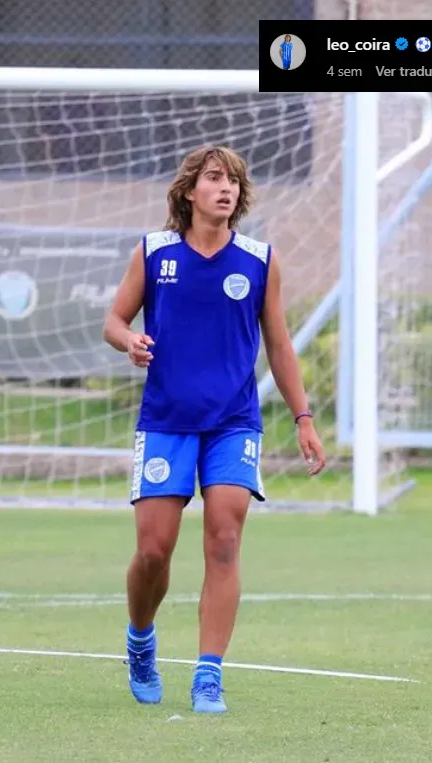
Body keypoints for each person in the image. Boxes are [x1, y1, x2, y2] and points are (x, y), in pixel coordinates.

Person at [102, 145, 326, 714]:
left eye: (233, 182)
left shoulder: (259, 260)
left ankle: (209, 675)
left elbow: (278, 344)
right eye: (213, 179)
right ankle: (140, 639)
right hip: (166, 422)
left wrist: (303, 418)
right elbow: (114, 320)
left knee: (224, 538)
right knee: (153, 551)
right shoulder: (153, 253)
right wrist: (129, 341)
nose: (225, 189)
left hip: (233, 423)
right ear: (189, 192)